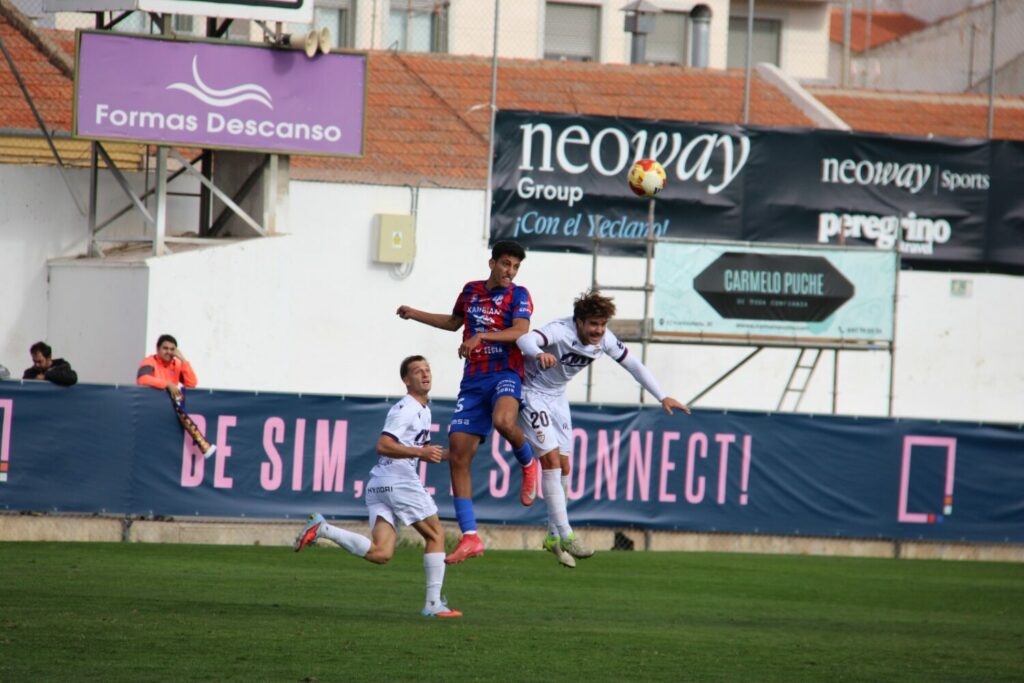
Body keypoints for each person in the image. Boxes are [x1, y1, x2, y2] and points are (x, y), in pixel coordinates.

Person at [516, 290, 690, 568]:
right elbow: (524, 338)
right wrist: (538, 353)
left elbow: (633, 364)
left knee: (564, 466)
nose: (598, 330)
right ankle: (567, 533)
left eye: (602, 324)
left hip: (557, 396)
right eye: (593, 324)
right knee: (549, 460)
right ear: (580, 322)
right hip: (531, 392)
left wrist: (662, 396)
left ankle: (551, 537)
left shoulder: (605, 339)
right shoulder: (560, 332)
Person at [396, 240, 540, 565]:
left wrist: (482, 337)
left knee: (505, 422)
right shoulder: (471, 290)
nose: (510, 271)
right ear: (492, 263)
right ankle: (470, 537)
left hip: (505, 371)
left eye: (515, 267)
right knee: (458, 455)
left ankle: (528, 463)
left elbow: (519, 331)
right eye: (505, 264)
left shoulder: (519, 295)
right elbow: (453, 322)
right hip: (473, 382)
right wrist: (414, 313)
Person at [294, 355, 462, 618]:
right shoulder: (405, 408)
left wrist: (462, 451)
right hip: (399, 480)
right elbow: (383, 445)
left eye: (427, 369)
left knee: (381, 553)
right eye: (418, 371)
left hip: (380, 485)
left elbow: (427, 452)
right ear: (406, 381)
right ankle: (433, 605)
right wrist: (420, 452)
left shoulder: (424, 409)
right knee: (436, 535)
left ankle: (323, 528)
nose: (425, 374)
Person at [137, 334, 215, 458]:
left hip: (169, 411)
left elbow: (192, 383)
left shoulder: (176, 364)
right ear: (158, 349)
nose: (169, 352)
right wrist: (167, 384)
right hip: (151, 409)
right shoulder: (150, 361)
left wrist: (183, 360)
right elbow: (142, 379)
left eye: (172, 349)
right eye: (165, 348)